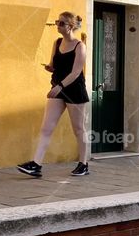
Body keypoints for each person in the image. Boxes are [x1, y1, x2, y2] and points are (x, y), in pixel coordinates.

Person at [17, 11, 91, 178]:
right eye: (57, 22)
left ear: (70, 26)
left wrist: (60, 86)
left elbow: (76, 72)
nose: (58, 25)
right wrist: (50, 68)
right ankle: (36, 165)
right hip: (57, 88)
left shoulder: (80, 46)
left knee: (79, 129)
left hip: (74, 91)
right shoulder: (57, 43)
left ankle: (83, 164)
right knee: (46, 128)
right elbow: (53, 64)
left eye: (62, 23)